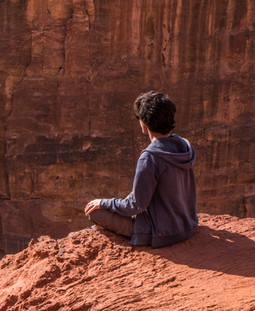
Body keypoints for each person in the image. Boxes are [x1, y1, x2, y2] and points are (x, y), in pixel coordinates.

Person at [84, 91, 197, 248]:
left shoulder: (150, 157)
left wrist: (104, 202)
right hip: (186, 225)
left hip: (160, 232)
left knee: (94, 212)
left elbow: (136, 206)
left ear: (144, 121)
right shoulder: (184, 145)